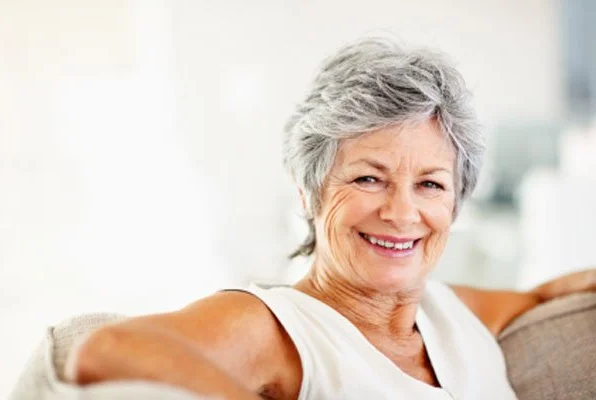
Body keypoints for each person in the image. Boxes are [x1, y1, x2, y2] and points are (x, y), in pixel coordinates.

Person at [65, 38, 596, 400]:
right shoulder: (277, 326)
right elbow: (108, 349)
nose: (401, 212)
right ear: (309, 191)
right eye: (369, 178)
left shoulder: (455, 310)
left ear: (455, 205)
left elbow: (543, 297)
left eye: (430, 184)